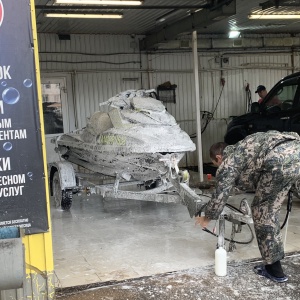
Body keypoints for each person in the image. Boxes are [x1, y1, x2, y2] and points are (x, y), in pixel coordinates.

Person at [195, 130, 300, 283]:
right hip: (296, 150)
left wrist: (207, 217)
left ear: (219, 157)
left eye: (215, 164)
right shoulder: (245, 147)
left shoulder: (229, 160)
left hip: (279, 160)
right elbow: (250, 177)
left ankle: (275, 271)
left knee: (263, 211)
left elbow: (220, 194)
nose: (218, 167)